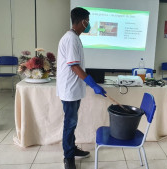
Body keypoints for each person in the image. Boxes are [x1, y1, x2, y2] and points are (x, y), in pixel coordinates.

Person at [56, 7, 107, 169]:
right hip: (69, 90)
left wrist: (91, 83)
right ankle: (68, 157)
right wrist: (92, 84)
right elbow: (74, 67)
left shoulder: (74, 38)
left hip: (73, 89)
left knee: (72, 122)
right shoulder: (70, 39)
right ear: (82, 21)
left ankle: (71, 149)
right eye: (88, 21)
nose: (89, 24)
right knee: (70, 123)